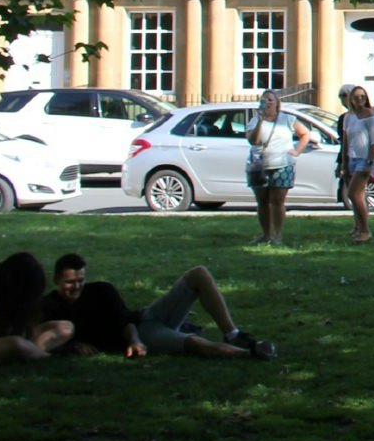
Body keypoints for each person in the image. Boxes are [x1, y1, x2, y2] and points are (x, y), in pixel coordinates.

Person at [39, 253, 277, 361]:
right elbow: (44, 339)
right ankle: (249, 354)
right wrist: (72, 345)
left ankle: (233, 334)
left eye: (80, 280)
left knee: (198, 274)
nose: (76, 287)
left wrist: (134, 341)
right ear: (57, 280)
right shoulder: (50, 307)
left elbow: (126, 321)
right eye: (70, 282)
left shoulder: (101, 290)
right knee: (192, 344)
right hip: (147, 335)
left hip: (143, 323)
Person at [247, 89, 313, 243]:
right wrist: (261, 121)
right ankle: (266, 234)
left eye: (271, 100)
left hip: (282, 165)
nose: (267, 103)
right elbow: (253, 141)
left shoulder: (288, 119)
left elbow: (305, 134)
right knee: (262, 201)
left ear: (277, 103)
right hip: (259, 165)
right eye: (264, 100)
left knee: (277, 201)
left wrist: (297, 151)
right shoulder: (255, 120)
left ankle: (277, 235)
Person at [336, 84, 374, 242]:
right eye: (356, 97)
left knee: (353, 194)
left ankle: (365, 231)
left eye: (362, 97)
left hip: (365, 159)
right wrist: (343, 162)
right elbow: (346, 140)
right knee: (357, 196)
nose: (359, 100)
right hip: (351, 158)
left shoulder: (370, 115)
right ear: (351, 100)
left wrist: (370, 162)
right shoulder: (348, 117)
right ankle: (358, 228)